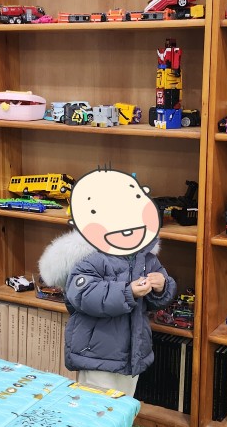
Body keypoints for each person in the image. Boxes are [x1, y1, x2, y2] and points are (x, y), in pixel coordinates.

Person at [38, 167, 176, 397]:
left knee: (123, 404)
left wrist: (162, 286)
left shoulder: (145, 257)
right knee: (94, 406)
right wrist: (127, 292)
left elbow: (158, 297)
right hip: (96, 353)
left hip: (131, 352)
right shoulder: (89, 258)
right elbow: (84, 295)